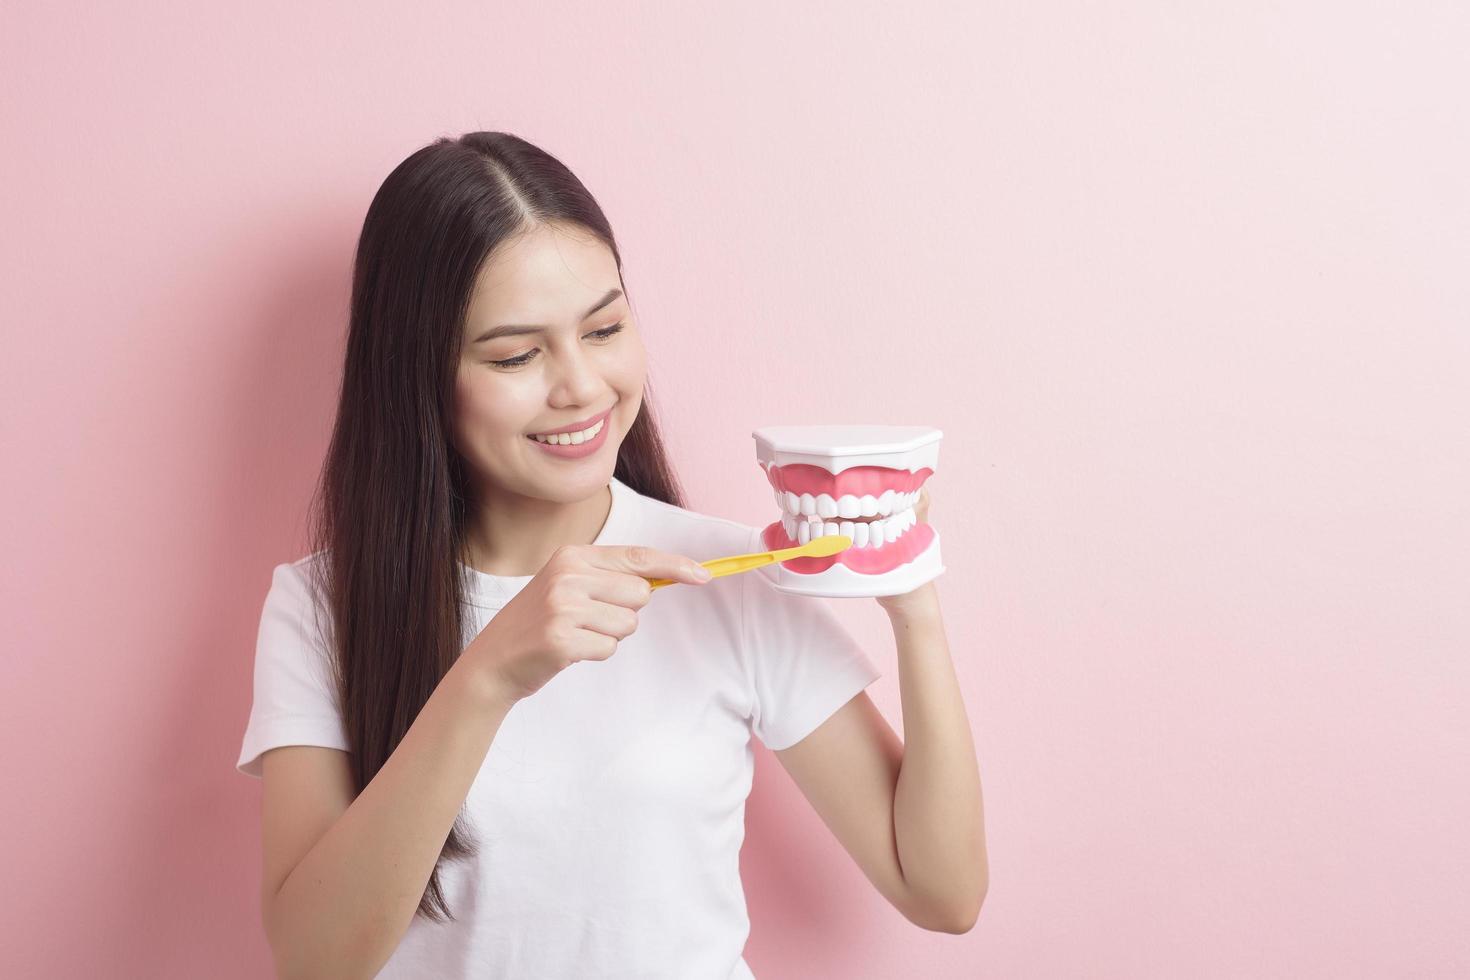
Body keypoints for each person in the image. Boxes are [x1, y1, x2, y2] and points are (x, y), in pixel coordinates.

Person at [236, 131, 985, 980]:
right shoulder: (322, 608)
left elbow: (944, 893)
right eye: (517, 354)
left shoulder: (725, 578)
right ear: (417, 376)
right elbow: (312, 962)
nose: (581, 386)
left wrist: (914, 603)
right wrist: (487, 677)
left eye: (604, 329)